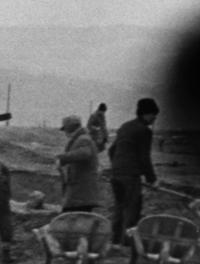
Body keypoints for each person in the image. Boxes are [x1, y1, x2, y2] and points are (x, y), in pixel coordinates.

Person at [109, 98, 159, 247]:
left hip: (116, 174)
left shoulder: (125, 126)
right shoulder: (144, 131)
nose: (154, 118)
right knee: (133, 208)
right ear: (145, 113)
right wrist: (152, 179)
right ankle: (128, 242)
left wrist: (118, 167)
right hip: (130, 177)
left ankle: (115, 239)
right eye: (153, 115)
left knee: (119, 207)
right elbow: (144, 158)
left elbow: (112, 150)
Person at [56, 115, 101, 213]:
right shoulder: (82, 138)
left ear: (70, 127)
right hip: (81, 193)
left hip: (81, 193)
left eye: (65, 129)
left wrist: (62, 159)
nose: (65, 133)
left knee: (71, 220)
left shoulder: (83, 139)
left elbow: (84, 153)